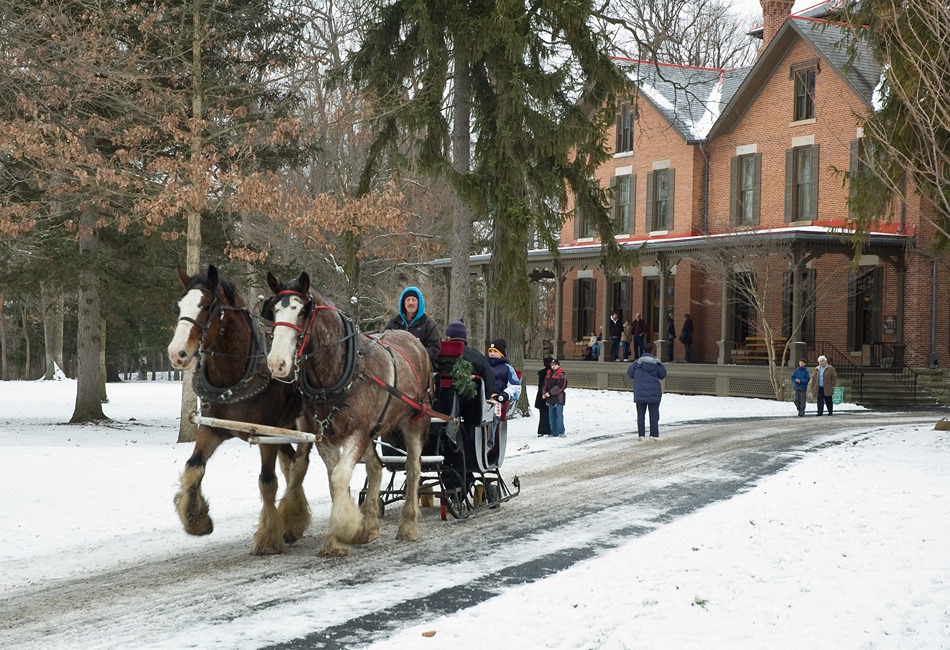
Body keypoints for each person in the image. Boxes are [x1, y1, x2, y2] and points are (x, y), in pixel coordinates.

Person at [385, 286, 441, 366]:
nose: (411, 303)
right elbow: (384, 344)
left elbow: (434, 348)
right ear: (403, 303)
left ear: (419, 303)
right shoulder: (394, 323)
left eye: (414, 300)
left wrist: (416, 357)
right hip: (396, 366)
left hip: (420, 367)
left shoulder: (428, 324)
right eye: (408, 300)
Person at [627, 342, 668, 438]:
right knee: (654, 415)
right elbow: (662, 375)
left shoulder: (636, 363)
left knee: (641, 416)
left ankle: (641, 435)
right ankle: (654, 435)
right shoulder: (656, 363)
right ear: (653, 351)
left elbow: (630, 373)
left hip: (640, 392)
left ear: (643, 350)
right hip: (654, 393)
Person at [487, 338, 521, 447]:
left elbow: (516, 386)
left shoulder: (507, 368)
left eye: (495, 351)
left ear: (501, 354)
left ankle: (490, 442)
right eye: (490, 351)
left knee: (494, 413)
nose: (492, 354)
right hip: (483, 396)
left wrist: (505, 394)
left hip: (497, 398)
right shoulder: (483, 365)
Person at [541, 359, 567, 437]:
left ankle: (561, 432)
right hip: (550, 398)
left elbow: (561, 386)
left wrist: (550, 393)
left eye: (555, 365)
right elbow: (545, 385)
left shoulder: (561, 374)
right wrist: (544, 393)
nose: (553, 366)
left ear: (558, 365)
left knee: (559, 415)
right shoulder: (548, 374)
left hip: (559, 398)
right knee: (551, 416)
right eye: (552, 365)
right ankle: (553, 432)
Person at [535, 357, 553, 436]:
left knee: (542, 415)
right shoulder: (552, 373)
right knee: (549, 414)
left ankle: (541, 431)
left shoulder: (542, 373)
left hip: (541, 396)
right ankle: (548, 430)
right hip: (549, 395)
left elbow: (540, 386)